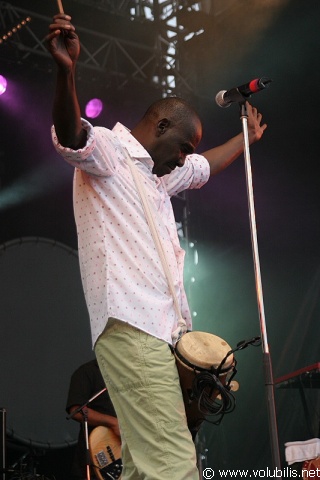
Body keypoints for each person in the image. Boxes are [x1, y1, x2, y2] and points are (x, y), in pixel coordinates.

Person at [46, 12, 267, 480]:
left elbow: (203, 167)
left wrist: (244, 139)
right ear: (162, 125)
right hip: (133, 326)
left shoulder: (155, 180)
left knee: (145, 468)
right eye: (183, 146)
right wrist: (66, 73)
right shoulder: (109, 154)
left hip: (159, 334)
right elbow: (70, 135)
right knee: (173, 465)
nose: (184, 158)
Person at [66, 359, 120, 480]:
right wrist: (113, 423)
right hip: (101, 451)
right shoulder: (87, 371)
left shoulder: (132, 374)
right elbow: (77, 411)